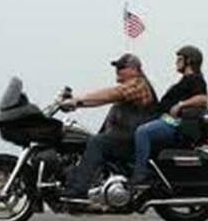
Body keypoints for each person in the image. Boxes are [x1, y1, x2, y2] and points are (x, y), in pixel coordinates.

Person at [60, 53, 158, 198]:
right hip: (126, 136)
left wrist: (77, 100)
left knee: (97, 142)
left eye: (121, 67)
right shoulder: (130, 86)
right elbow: (99, 100)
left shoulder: (138, 84)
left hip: (133, 139)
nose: (118, 70)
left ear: (134, 69)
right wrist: (78, 103)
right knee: (87, 139)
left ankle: (78, 189)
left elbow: (110, 95)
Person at [131, 45, 208, 187]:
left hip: (175, 124)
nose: (176, 62)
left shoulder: (195, 79)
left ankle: (140, 175)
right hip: (166, 120)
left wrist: (181, 105)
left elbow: (203, 99)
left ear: (190, 61)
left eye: (180, 59)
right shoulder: (185, 80)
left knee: (142, 132)